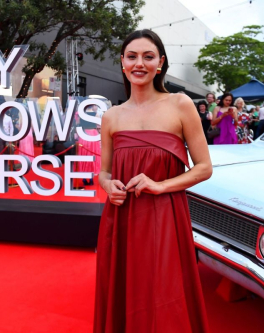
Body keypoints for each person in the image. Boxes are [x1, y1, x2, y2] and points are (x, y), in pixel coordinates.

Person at [94, 29, 212, 333]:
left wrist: (160, 185)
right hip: (121, 220)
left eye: (148, 57)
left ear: (160, 63)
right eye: (132, 56)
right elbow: (103, 172)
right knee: (124, 289)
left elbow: (203, 167)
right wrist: (107, 185)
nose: (140, 63)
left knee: (163, 293)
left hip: (166, 219)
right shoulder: (112, 116)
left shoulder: (180, 104)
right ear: (122, 62)